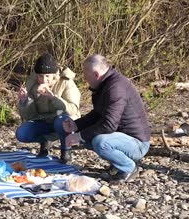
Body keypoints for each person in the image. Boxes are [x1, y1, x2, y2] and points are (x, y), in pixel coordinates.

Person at [63, 54, 151, 184]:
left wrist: (79, 136)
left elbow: (109, 125)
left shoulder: (115, 88)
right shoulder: (105, 85)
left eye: (86, 75)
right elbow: (98, 114)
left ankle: (129, 167)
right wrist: (76, 125)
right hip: (123, 137)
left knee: (100, 142)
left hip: (137, 143)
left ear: (96, 74)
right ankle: (117, 164)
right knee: (89, 139)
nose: (84, 78)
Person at [15, 53, 81, 163]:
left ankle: (66, 149)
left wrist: (54, 98)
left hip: (63, 120)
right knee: (22, 133)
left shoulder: (66, 82)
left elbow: (73, 109)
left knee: (61, 122)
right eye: (40, 76)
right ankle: (45, 141)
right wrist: (24, 101)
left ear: (54, 75)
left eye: (47, 76)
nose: (44, 80)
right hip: (43, 121)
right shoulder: (32, 84)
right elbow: (29, 116)